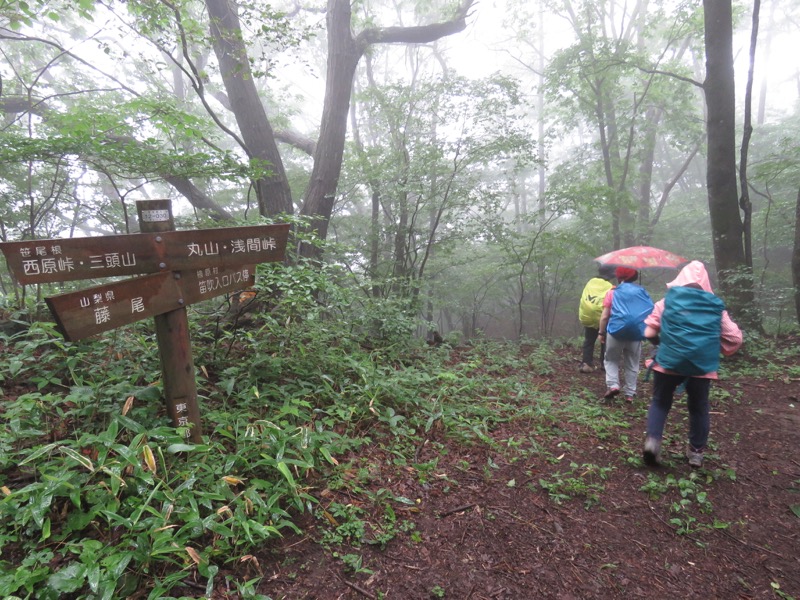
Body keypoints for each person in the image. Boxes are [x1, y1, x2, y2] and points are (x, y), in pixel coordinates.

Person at [641, 261, 742, 468]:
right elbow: (735, 338)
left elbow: (649, 332)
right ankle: (696, 453)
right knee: (699, 408)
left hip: (667, 364)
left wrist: (663, 344)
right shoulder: (715, 308)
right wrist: (713, 347)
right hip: (701, 367)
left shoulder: (666, 303)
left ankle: (652, 442)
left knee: (660, 402)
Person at [598, 266, 652, 402]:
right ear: (635, 277)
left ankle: (613, 385)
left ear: (619, 277)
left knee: (611, 359)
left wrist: (601, 332)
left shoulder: (613, 292)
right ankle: (630, 393)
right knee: (632, 362)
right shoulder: (642, 291)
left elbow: (605, 316)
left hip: (616, 331)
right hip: (635, 333)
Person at [578, 264, 616, 373]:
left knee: (589, 341)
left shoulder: (590, 282)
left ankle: (586, 363)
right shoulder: (610, 286)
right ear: (610, 275)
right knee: (605, 341)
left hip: (587, 316)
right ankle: (604, 364)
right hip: (602, 319)